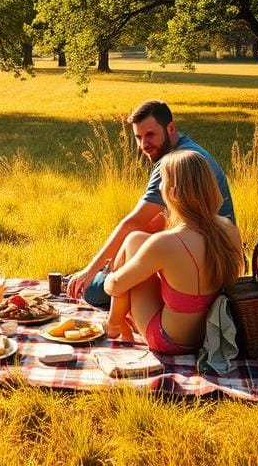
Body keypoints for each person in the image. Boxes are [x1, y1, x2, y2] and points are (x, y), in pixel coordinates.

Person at [67, 99, 235, 307]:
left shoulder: (171, 163)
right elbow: (160, 220)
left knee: (93, 291)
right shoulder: (191, 151)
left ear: (170, 128)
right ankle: (110, 270)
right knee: (141, 235)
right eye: (138, 137)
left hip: (199, 265)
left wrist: (89, 271)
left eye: (150, 135)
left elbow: (133, 223)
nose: (144, 144)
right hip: (219, 260)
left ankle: (111, 302)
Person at [103, 150, 244, 354]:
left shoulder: (166, 243)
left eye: (162, 181)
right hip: (210, 333)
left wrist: (110, 276)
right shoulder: (228, 227)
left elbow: (117, 286)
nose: (159, 186)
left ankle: (112, 325)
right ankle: (115, 324)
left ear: (173, 191)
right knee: (135, 239)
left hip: (169, 341)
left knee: (130, 249)